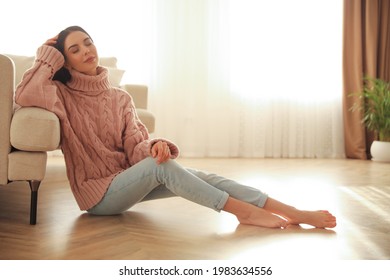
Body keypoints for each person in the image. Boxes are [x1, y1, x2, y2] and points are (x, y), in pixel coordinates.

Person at [15, 26, 336, 229]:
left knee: (204, 176)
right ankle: (244, 212)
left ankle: (294, 212)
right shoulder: (62, 95)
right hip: (98, 197)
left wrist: (154, 148)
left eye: (88, 43)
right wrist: (47, 56)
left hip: (127, 181)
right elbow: (25, 94)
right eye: (75, 49)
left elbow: (135, 147)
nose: (87, 51)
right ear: (65, 61)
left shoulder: (120, 98)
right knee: (163, 170)